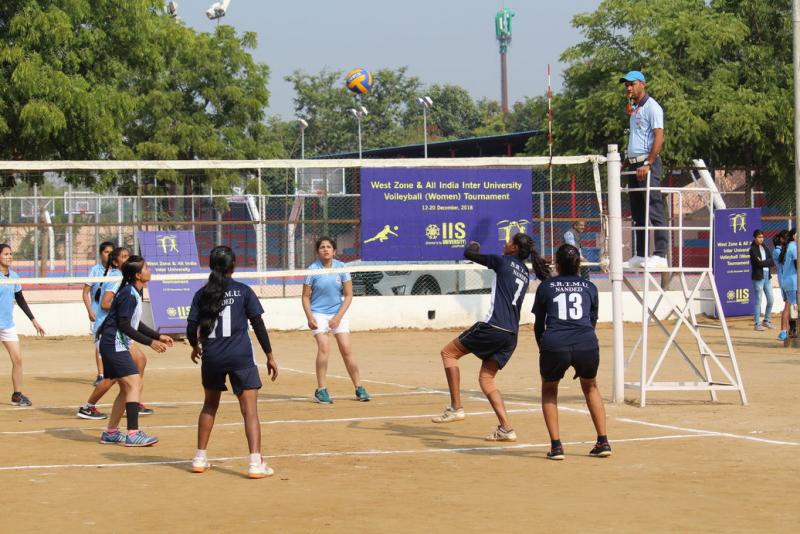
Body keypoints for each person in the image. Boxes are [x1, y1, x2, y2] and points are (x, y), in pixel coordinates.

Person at [431, 233, 550, 442]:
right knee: (486, 379)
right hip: (511, 334)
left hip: (494, 327)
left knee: (448, 353)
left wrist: (474, 245)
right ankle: (506, 428)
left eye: (509, 241)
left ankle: (456, 407)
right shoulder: (524, 271)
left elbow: (469, 254)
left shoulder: (502, 261)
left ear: (514, 248)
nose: (505, 243)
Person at [187, 246, 279, 478]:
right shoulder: (244, 291)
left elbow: (190, 326)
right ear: (233, 266)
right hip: (240, 356)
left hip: (212, 357)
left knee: (209, 405)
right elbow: (258, 324)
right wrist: (269, 355)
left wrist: (195, 345)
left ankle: (199, 458)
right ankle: (255, 463)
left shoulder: (201, 294)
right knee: (250, 412)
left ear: (210, 266)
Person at [532, 244, 611, 460]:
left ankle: (556, 447)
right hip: (586, 341)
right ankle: (603, 441)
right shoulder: (589, 287)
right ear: (578, 265)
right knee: (591, 386)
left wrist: (543, 348)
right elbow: (592, 320)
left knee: (549, 389)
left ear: (557, 264)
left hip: (554, 342)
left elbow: (539, 325)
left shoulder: (546, 286)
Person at [96, 255, 173, 446]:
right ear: (138, 275)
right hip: (113, 343)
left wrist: (157, 336)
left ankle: (111, 432)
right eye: (146, 268)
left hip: (114, 343)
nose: (149, 270)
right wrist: (150, 342)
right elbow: (124, 325)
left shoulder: (133, 292)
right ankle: (133, 434)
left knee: (126, 388)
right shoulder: (128, 294)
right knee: (134, 383)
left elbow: (134, 322)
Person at [77, 246, 157, 420]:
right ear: (115, 262)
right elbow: (107, 305)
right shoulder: (120, 283)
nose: (127, 259)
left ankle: (131, 401)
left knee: (135, 366)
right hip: (112, 335)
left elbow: (131, 320)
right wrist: (150, 340)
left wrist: (156, 336)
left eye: (129, 256)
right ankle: (93, 406)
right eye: (124, 257)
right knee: (119, 378)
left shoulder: (130, 287)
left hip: (117, 334)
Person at [301, 236, 369, 404]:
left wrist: (338, 317)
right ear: (317, 251)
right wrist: (310, 317)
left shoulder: (342, 267)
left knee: (346, 349)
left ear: (334, 251)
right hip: (318, 314)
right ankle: (321, 390)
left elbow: (348, 295)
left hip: (338, 313)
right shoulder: (312, 270)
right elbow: (305, 296)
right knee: (324, 347)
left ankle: (359, 387)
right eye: (322, 247)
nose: (326, 249)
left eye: (329, 247)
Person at [619, 70, 668, 270]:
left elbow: (659, 136)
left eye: (632, 84)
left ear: (642, 84)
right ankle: (640, 254)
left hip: (647, 165)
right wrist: (626, 162)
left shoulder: (652, 107)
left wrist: (648, 163)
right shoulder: (635, 108)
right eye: (626, 85)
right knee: (637, 212)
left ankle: (661, 255)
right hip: (634, 164)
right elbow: (637, 137)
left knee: (654, 208)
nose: (628, 88)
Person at [0, 244, 46, 406]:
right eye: (6, 254)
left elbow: (20, 299)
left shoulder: (14, 276)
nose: (9, 256)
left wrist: (33, 320)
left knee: (18, 360)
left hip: (7, 325)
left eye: (11, 254)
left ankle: (17, 395)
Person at [82, 241, 114, 385]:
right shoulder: (95, 270)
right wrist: (90, 311)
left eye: (111, 252)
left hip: (112, 313)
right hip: (98, 314)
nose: (109, 255)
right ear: (101, 254)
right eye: (106, 252)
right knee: (99, 345)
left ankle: (115, 372)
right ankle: (101, 374)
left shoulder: (118, 271)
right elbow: (85, 293)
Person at [749, 229, 774, 331]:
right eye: (759, 237)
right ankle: (757, 323)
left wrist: (764, 262)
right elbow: (758, 263)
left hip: (767, 276)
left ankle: (766, 320)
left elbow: (772, 262)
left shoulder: (765, 247)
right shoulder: (752, 249)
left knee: (771, 300)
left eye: (762, 237)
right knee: (758, 300)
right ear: (754, 238)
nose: (761, 239)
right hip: (758, 277)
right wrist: (766, 262)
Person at [778, 229, 798, 342]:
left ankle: (787, 331)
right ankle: (787, 331)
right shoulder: (793, 247)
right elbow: (797, 265)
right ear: (794, 236)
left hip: (788, 281)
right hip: (792, 282)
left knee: (789, 306)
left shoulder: (790, 246)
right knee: (792, 307)